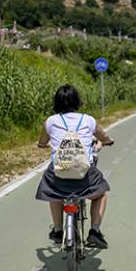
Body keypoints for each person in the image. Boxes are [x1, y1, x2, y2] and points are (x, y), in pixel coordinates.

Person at [35, 85, 115, 249]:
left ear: (56, 102)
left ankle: (58, 230)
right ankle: (94, 231)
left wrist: (43, 144)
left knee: (54, 193)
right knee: (101, 193)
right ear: (77, 101)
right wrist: (107, 141)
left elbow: (42, 143)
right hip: (84, 174)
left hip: (59, 173)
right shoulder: (88, 120)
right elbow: (103, 136)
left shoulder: (50, 121)